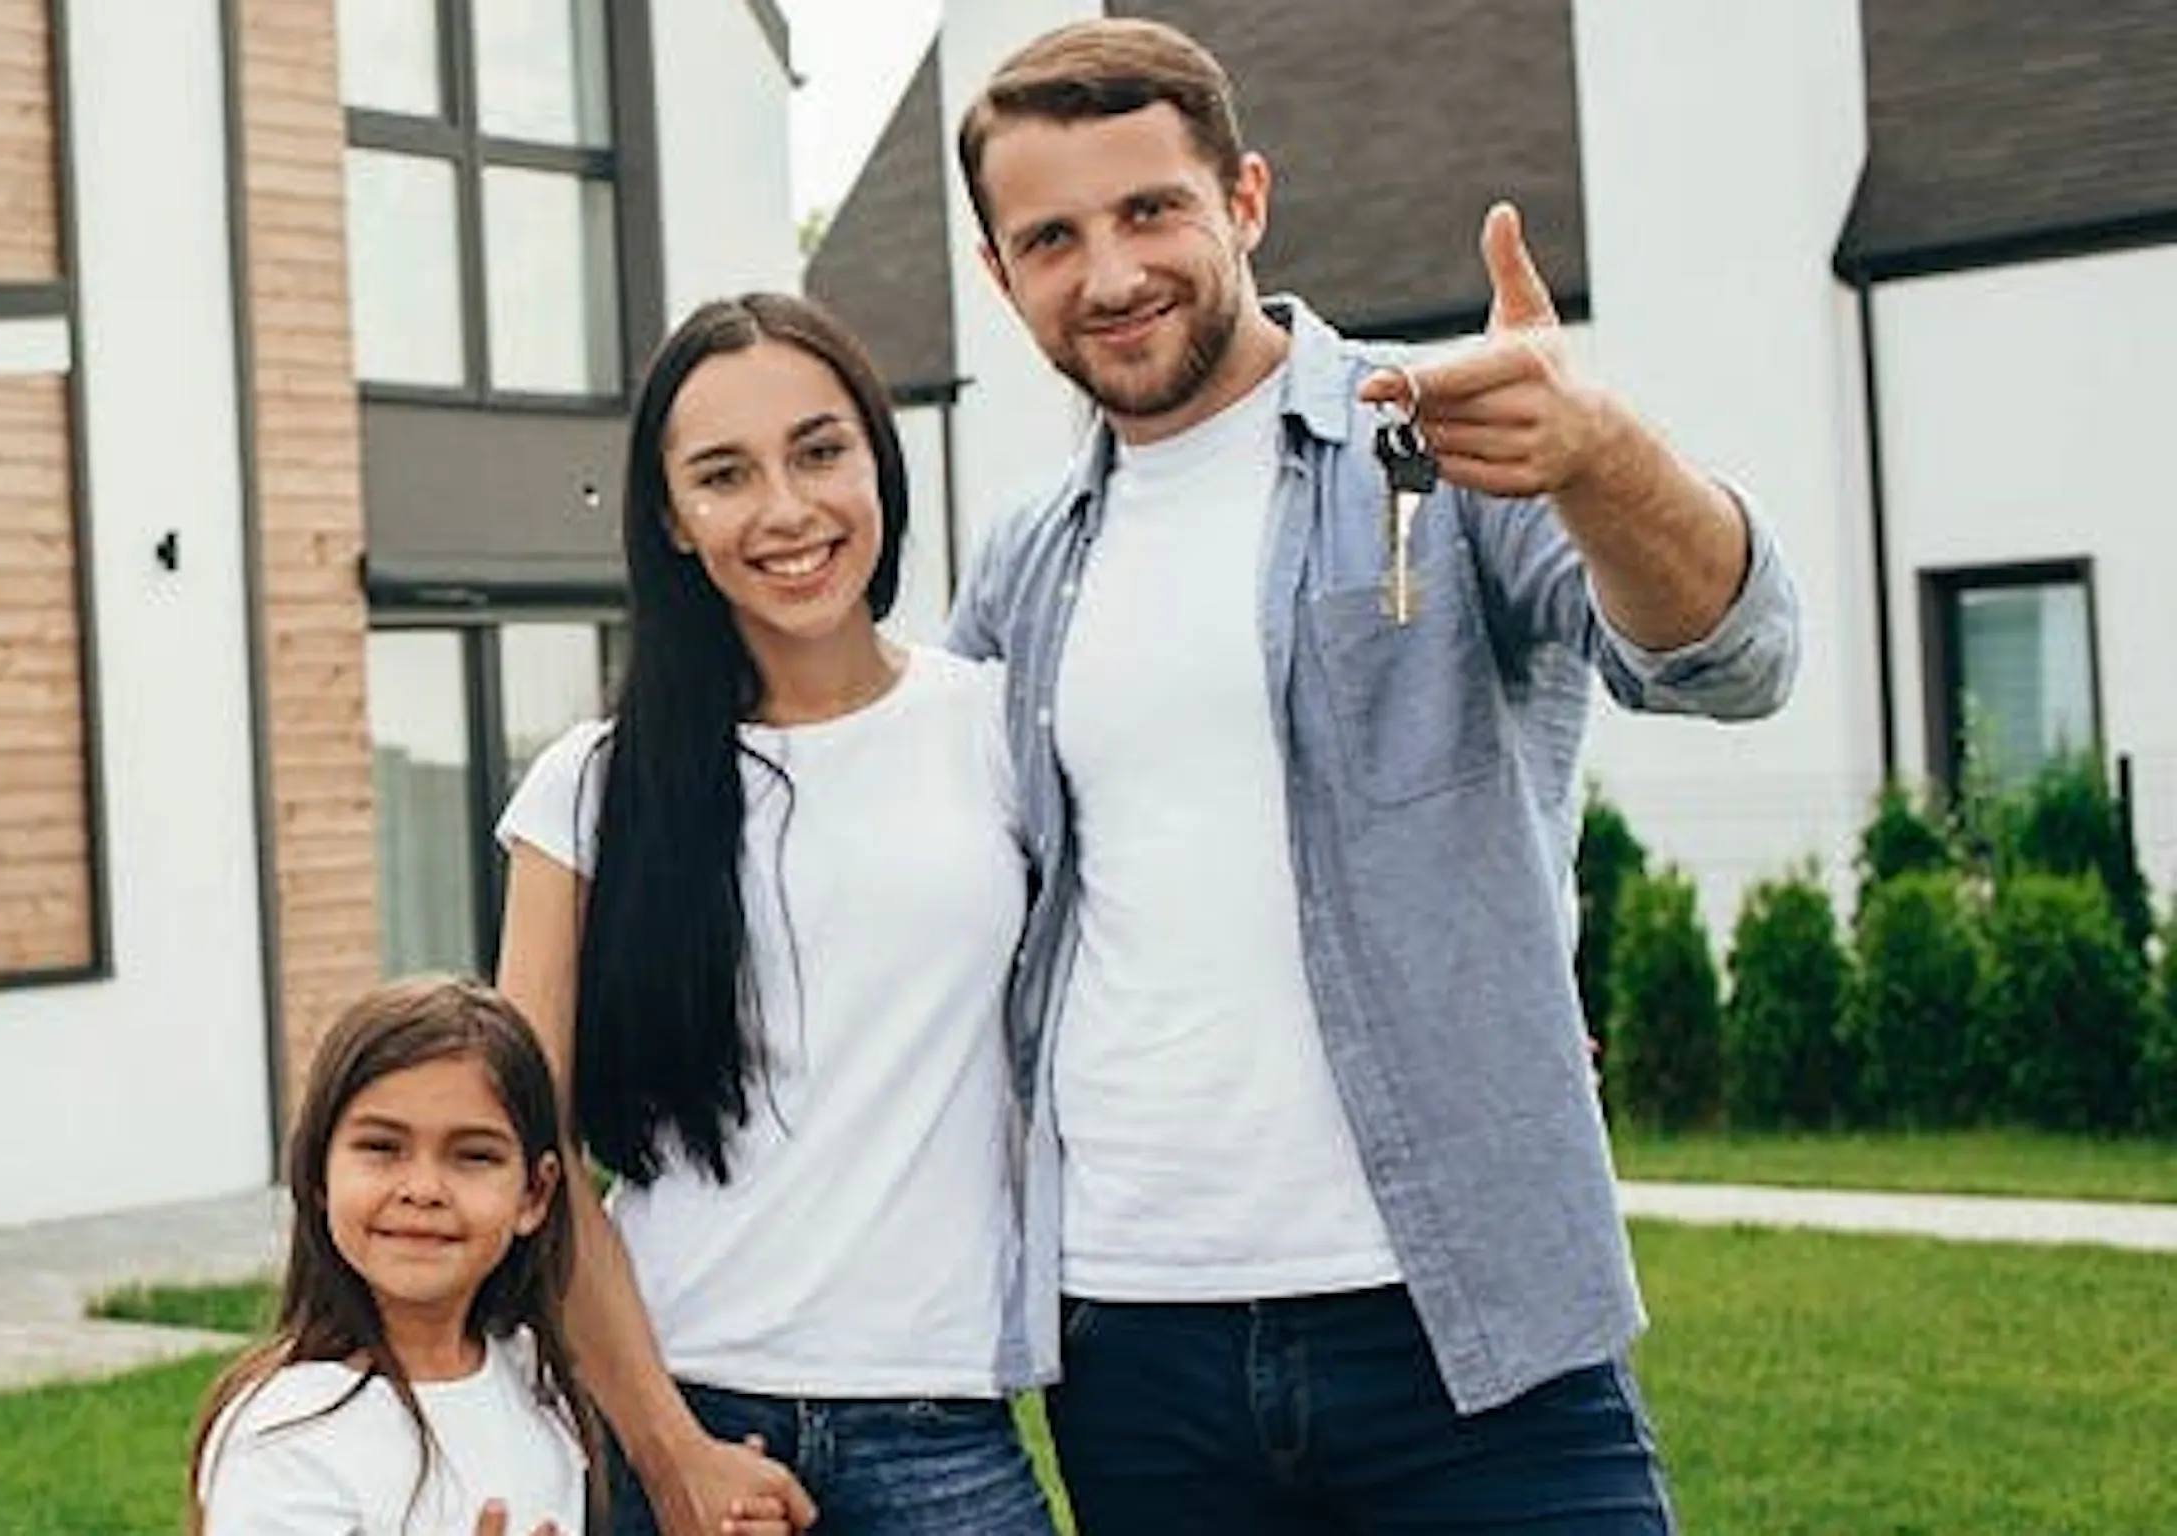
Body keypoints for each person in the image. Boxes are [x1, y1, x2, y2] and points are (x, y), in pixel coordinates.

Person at [940, 19, 1802, 1534]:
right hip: (1136, 1343)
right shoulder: (1024, 560)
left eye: (1151, 210)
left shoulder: (1441, 440)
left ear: (1246, 201)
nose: (1112, 273)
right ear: (1002, 276)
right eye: (1052, 239)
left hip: (1468, 1320)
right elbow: (941, 880)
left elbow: (1734, 661)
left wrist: (1602, 453)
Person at [494, 291, 1055, 1536]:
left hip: (940, 1421)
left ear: (878, 462)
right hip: (674, 1409)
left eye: (819, 451)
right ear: (672, 520)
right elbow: (534, 1155)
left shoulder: (1002, 731)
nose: (788, 509)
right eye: (724, 475)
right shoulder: (590, 789)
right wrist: (670, 1452)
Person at [191, 976, 620, 1536]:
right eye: (382, 1148)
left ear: (534, 1195)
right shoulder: (283, 1433)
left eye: (473, 1156)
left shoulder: (536, 1383)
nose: (422, 1190)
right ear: (318, 1174)